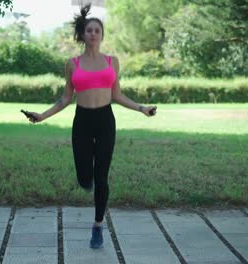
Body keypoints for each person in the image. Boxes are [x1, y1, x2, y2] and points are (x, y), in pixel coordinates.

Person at [22, 3, 157, 249]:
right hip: (82, 121)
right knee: (85, 177)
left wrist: (141, 108)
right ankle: (87, 182)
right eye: (89, 30)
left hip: (105, 121)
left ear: (102, 35)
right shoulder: (72, 64)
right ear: (83, 34)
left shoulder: (112, 61)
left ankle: (97, 226)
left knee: (101, 178)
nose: (93, 34)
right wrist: (42, 116)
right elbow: (65, 98)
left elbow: (118, 95)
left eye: (97, 30)